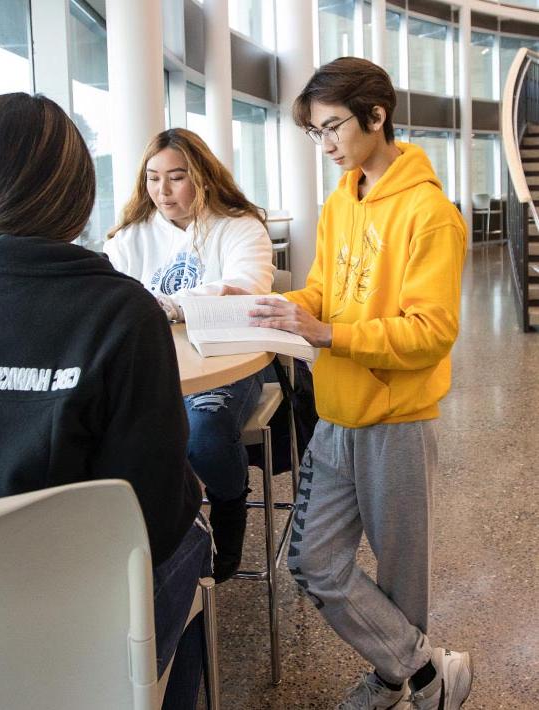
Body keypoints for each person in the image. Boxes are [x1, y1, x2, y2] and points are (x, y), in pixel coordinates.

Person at [0, 93, 209, 710]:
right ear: (76, 187)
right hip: (74, 624)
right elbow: (154, 522)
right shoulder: (120, 314)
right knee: (194, 529)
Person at [249, 58, 473, 710]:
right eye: (315, 134)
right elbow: (323, 291)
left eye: (332, 128)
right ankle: (428, 671)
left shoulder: (431, 215)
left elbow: (431, 331)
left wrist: (329, 335)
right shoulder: (341, 200)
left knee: (402, 580)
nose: (324, 146)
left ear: (376, 115)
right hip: (335, 415)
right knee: (313, 562)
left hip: (396, 420)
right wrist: (277, 305)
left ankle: (394, 681)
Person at [104, 127, 274, 582]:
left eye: (176, 177)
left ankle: (229, 506)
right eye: (153, 177)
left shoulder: (237, 226)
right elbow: (110, 298)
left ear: (202, 177)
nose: (163, 190)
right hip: (153, 365)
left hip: (225, 361)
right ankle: (161, 548)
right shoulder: (129, 237)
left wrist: (172, 304)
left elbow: (248, 288)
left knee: (202, 432)